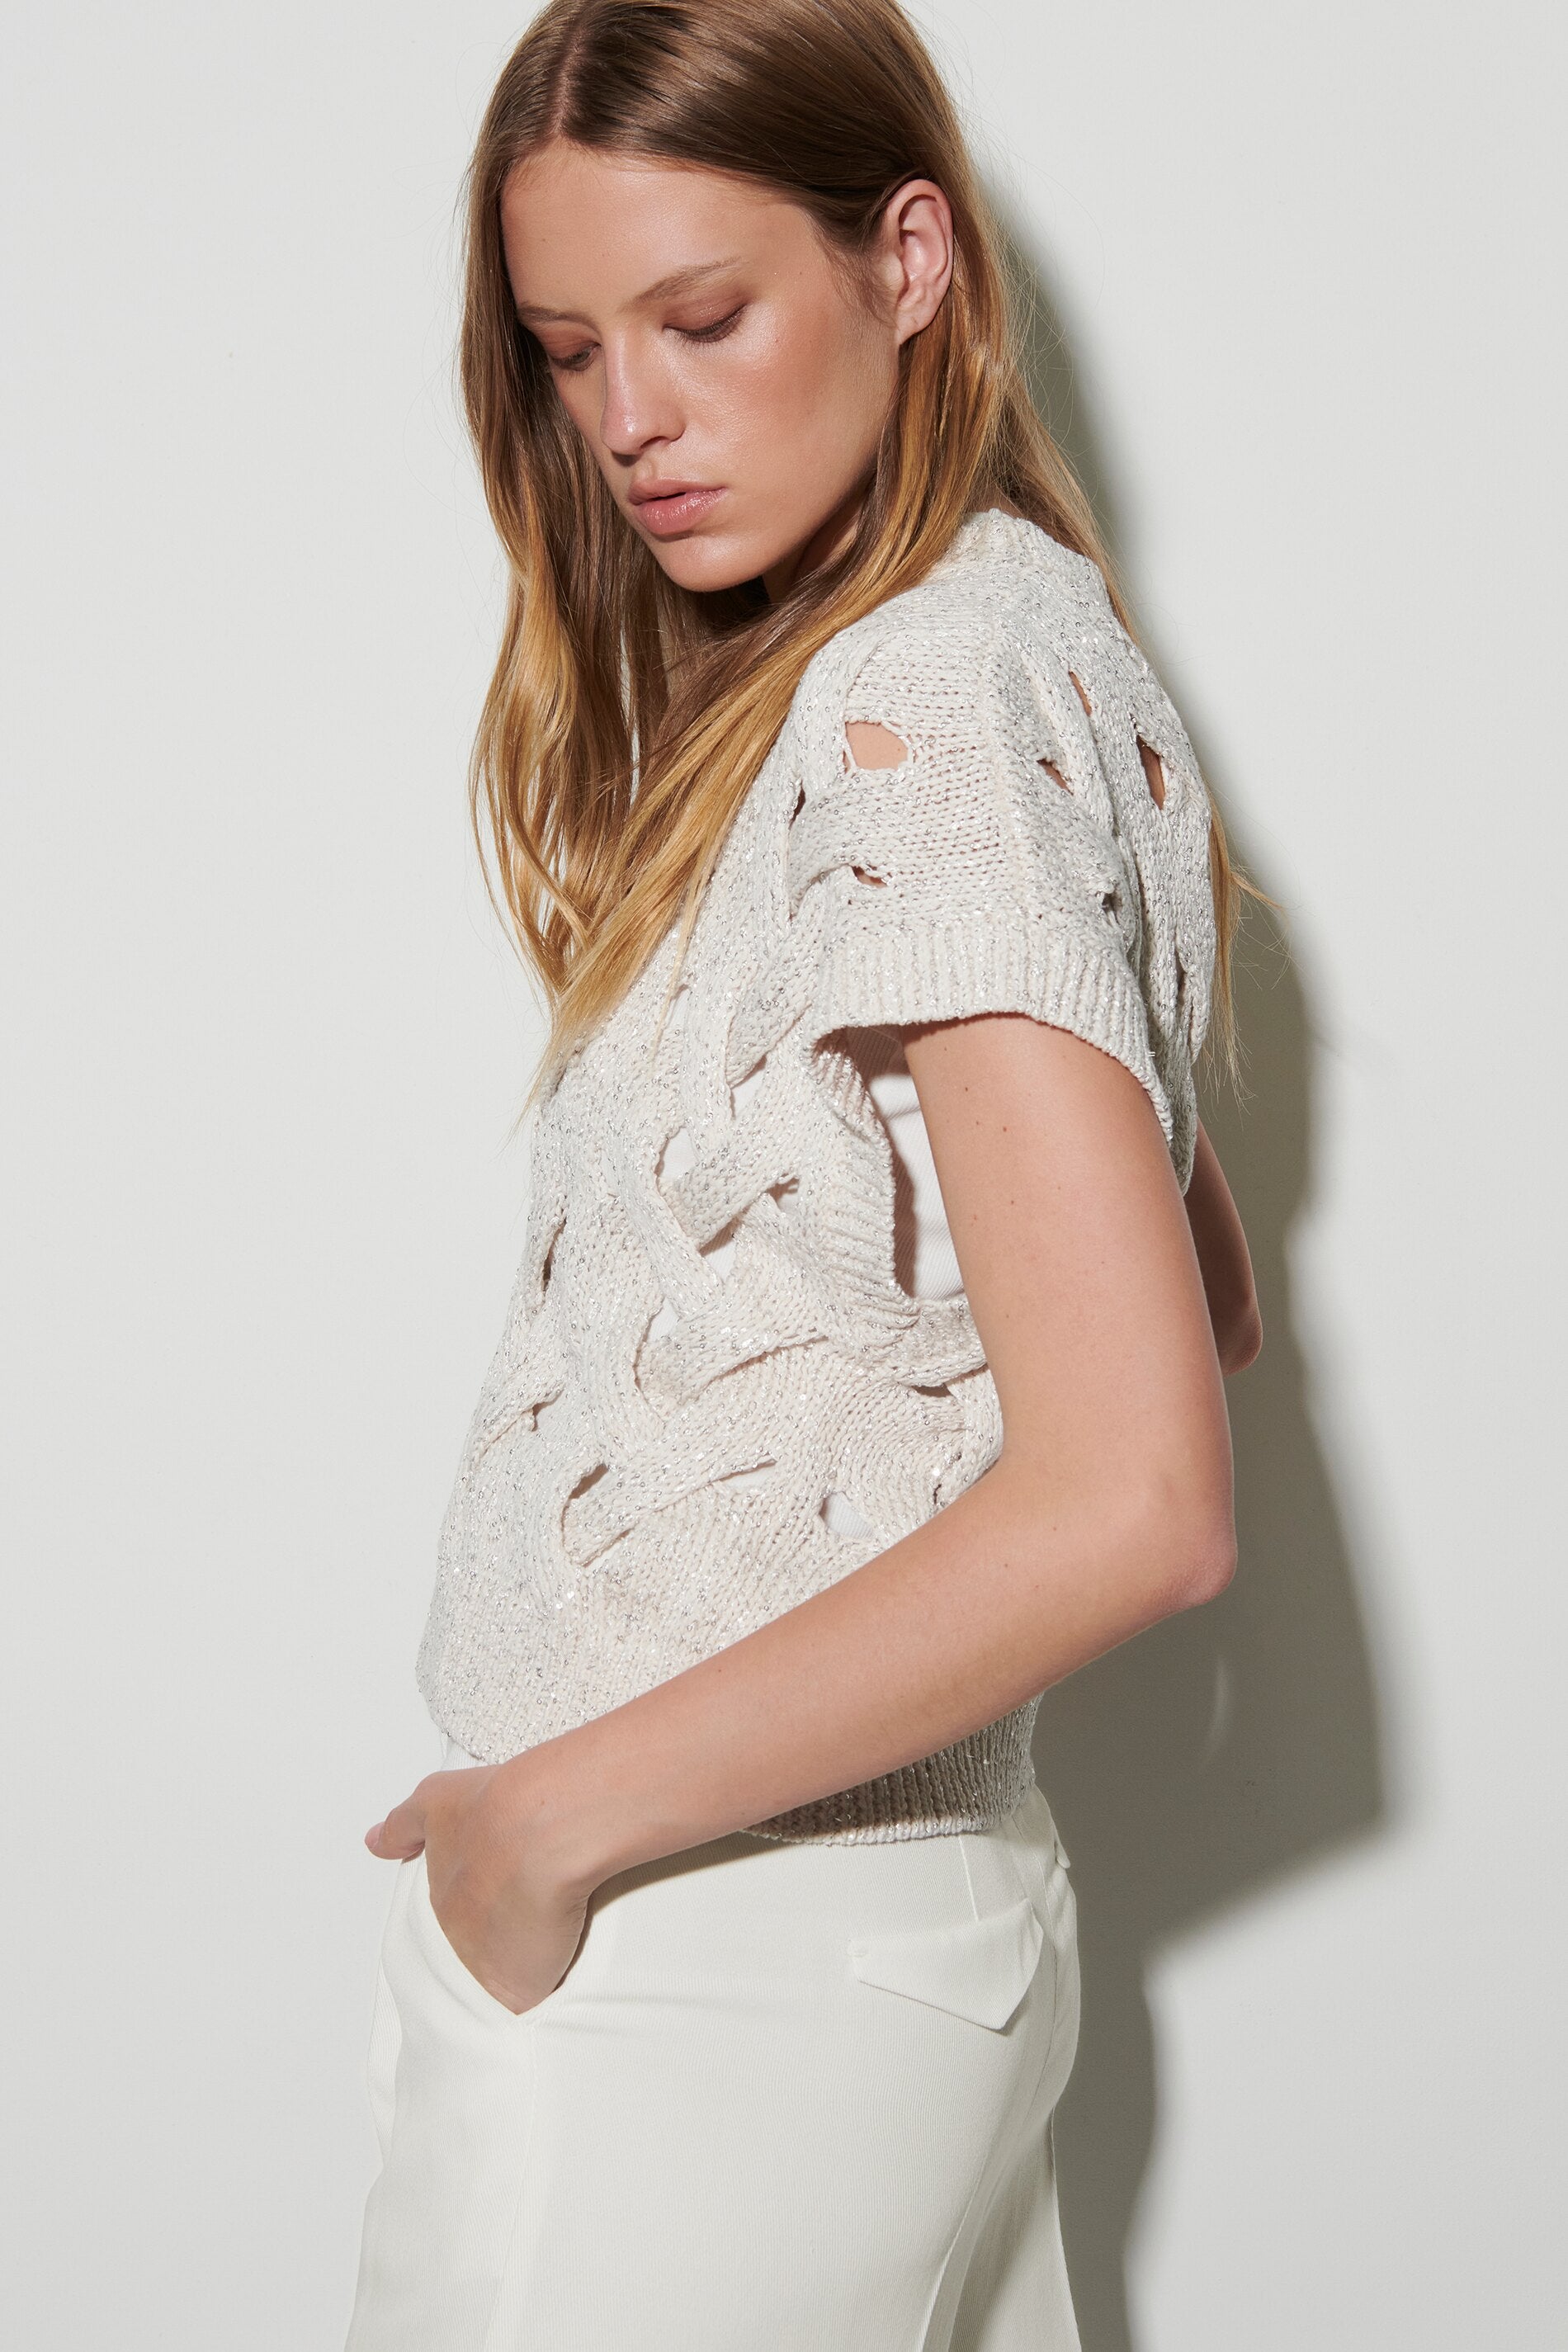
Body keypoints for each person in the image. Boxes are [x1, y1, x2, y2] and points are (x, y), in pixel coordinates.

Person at [343, 2, 1262, 2345]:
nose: (628, 419)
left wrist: (549, 1824)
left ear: (908, 259)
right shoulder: (1033, 645)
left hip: (710, 1965)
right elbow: (1178, 1296)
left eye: (702, 318)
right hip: (872, 1950)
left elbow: (1137, 1490)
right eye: (568, 350)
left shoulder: (917, 695)